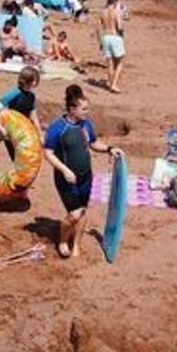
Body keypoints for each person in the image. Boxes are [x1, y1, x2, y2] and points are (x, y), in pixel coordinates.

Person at [43, 85, 123, 258]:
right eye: (84, 109)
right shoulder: (57, 128)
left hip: (86, 177)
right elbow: (48, 153)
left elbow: (93, 143)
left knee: (83, 211)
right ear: (72, 109)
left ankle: (76, 245)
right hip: (67, 179)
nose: (87, 112)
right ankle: (63, 240)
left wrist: (110, 149)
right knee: (74, 214)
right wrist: (64, 170)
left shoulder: (86, 125)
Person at [0, 66, 42, 159]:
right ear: (26, 80)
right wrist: (0, 127)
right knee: (18, 158)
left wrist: (40, 134)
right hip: (12, 130)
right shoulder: (14, 93)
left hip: (24, 130)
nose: (35, 83)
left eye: (36, 80)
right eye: (33, 80)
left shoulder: (31, 96)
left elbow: (34, 117)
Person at [97, 0, 126, 93]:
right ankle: (113, 84)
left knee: (109, 63)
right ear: (114, 2)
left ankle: (110, 83)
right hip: (115, 36)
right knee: (120, 62)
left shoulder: (102, 12)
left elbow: (98, 28)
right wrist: (122, 38)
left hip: (105, 37)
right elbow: (120, 27)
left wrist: (99, 41)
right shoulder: (116, 12)